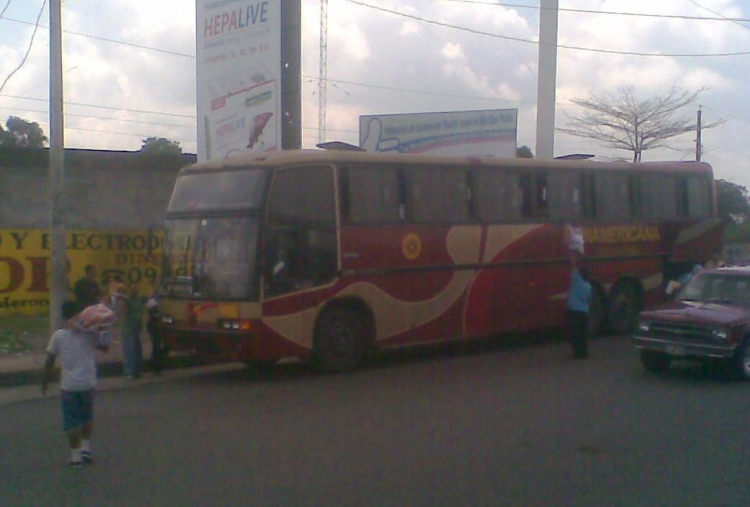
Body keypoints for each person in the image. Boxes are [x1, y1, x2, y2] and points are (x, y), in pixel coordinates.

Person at [42, 300, 116, 468]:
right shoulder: (89, 333)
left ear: (63, 317)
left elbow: (49, 360)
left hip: (69, 386)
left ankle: (76, 458)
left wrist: (45, 381)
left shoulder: (59, 336)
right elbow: (105, 348)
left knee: (71, 423)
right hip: (88, 383)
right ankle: (86, 450)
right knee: (87, 418)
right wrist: (103, 330)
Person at [566, 247, 592, 359]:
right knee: (582, 333)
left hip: (574, 311)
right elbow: (589, 299)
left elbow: (573, 267)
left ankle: (576, 353)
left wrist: (573, 256)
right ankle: (583, 352)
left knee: (574, 333)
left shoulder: (576, 278)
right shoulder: (588, 285)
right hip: (584, 311)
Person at [121, 283, 146, 379]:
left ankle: (136, 371)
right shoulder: (126, 300)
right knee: (129, 351)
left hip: (136, 330)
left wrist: (157, 283)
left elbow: (151, 295)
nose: (135, 290)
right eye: (133, 289)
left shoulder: (140, 299)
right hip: (128, 330)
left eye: (136, 289)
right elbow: (123, 310)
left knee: (137, 351)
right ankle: (128, 372)